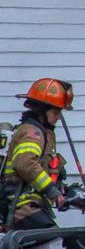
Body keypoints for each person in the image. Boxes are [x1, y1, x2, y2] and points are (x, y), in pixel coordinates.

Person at [1, 79, 74, 230]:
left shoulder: (44, 133)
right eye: (55, 112)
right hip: (21, 207)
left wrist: (65, 192)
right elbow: (25, 164)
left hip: (32, 206)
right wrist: (51, 191)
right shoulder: (31, 132)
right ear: (42, 111)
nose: (58, 117)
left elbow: (43, 171)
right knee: (61, 244)